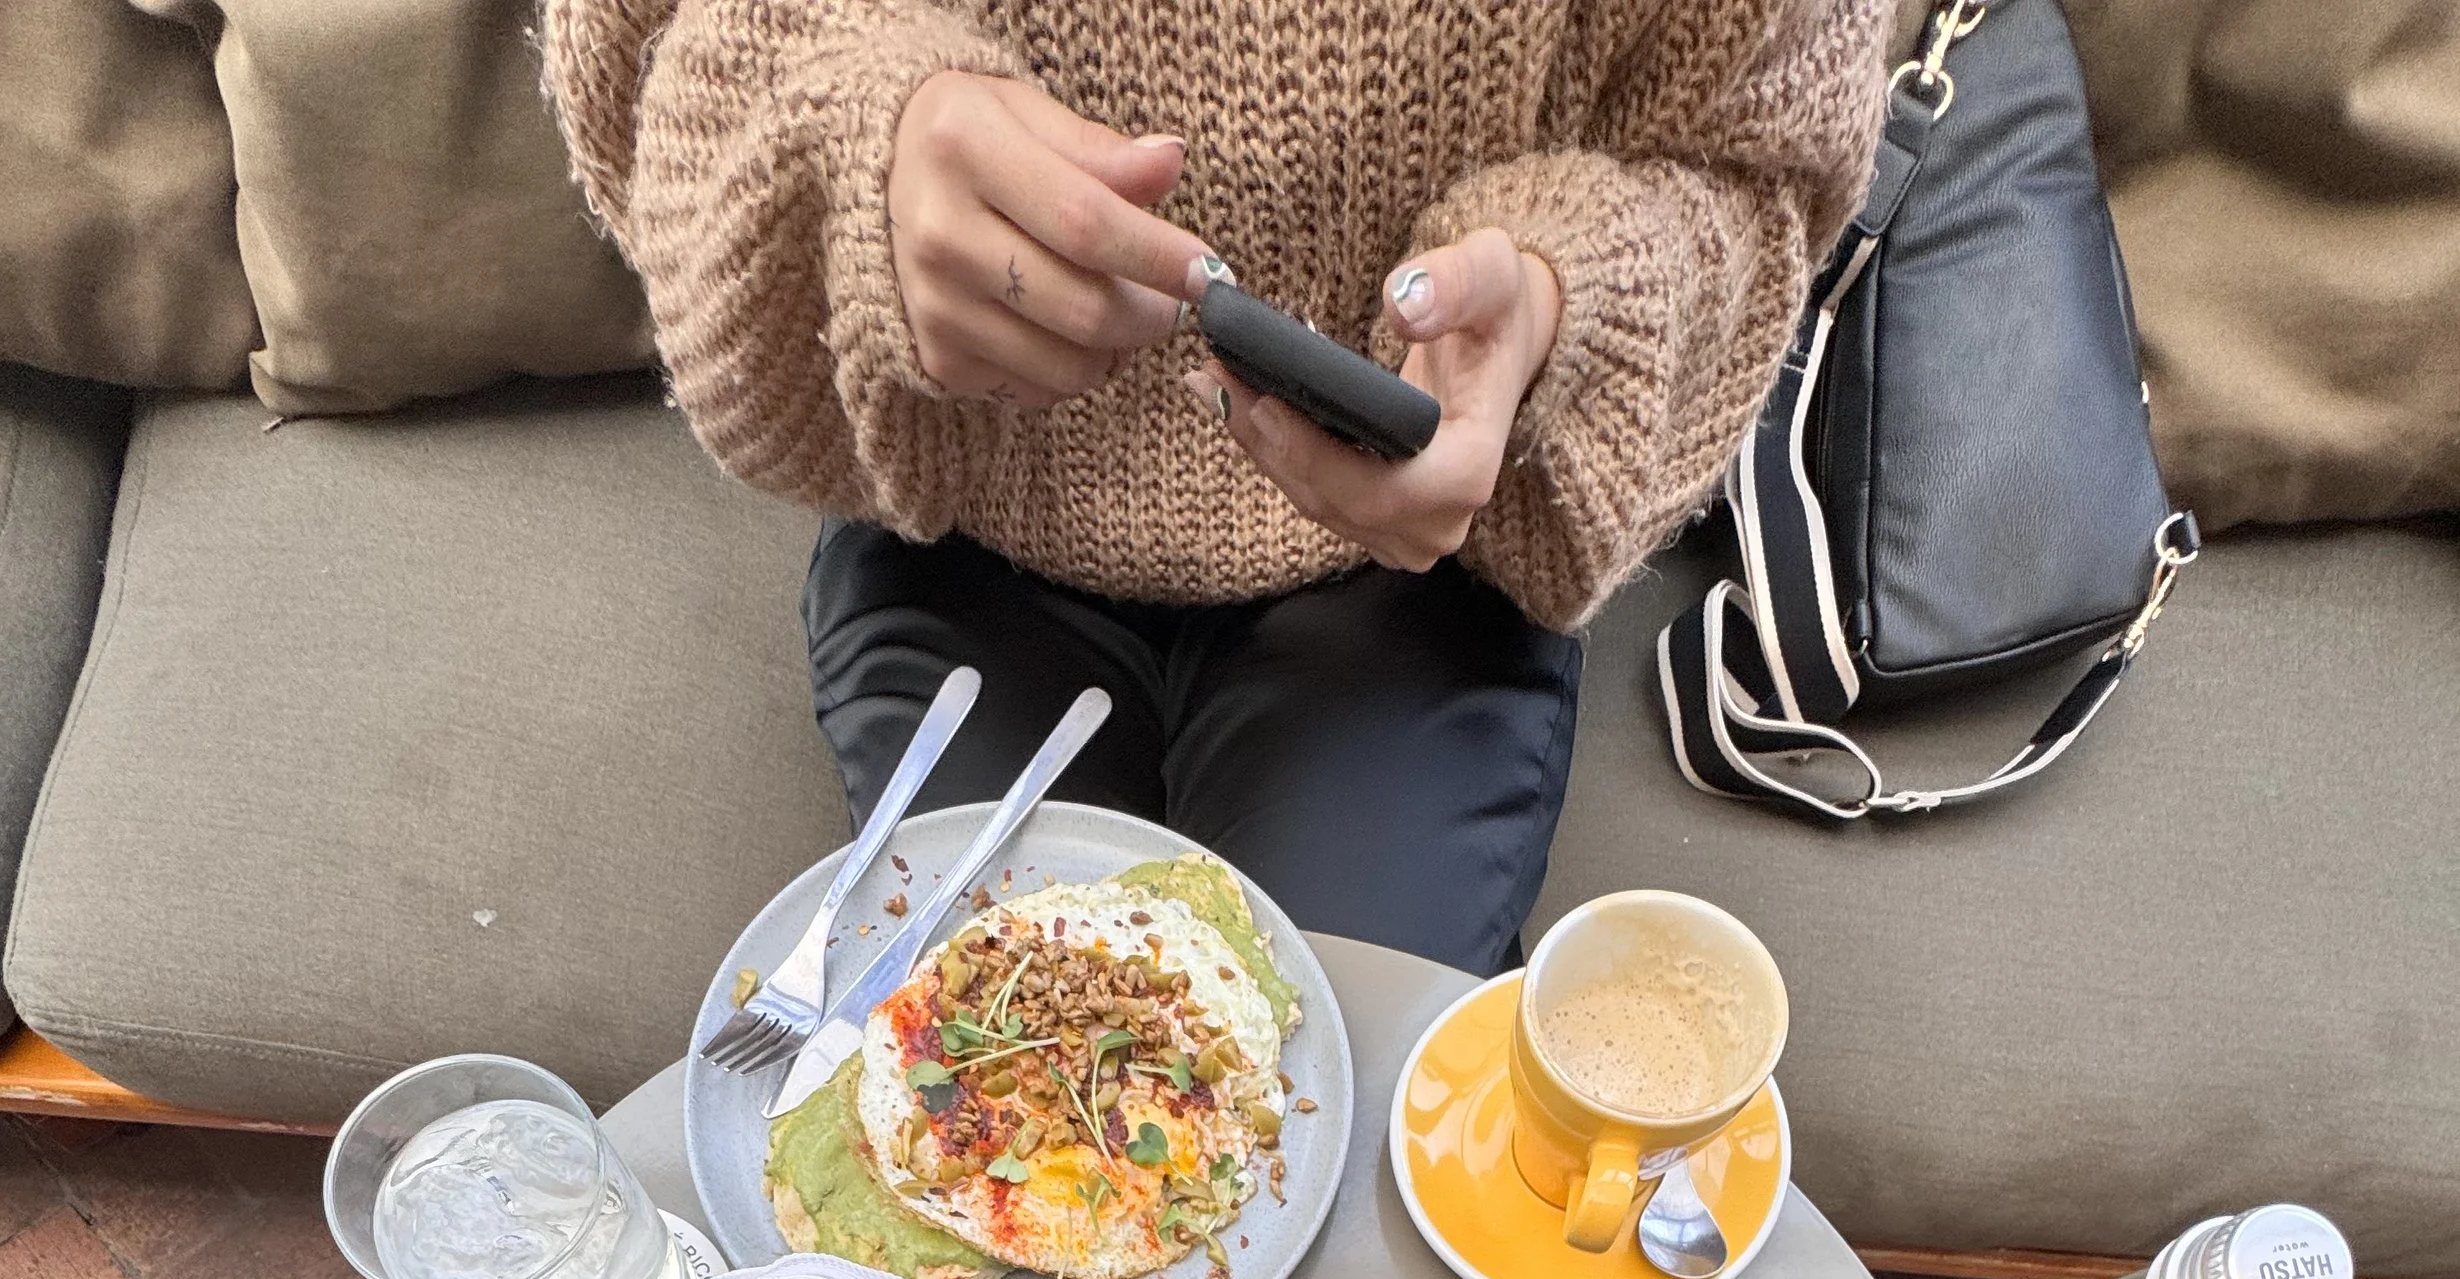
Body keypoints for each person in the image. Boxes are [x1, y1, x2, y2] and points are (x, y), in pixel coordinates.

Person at [541, 0, 1889, 971]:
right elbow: (636, 50)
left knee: (1326, 1121)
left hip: (1414, 579)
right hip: (964, 529)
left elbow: (1757, 162)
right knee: (992, 1094)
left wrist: (1560, 301)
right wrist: (856, 152)